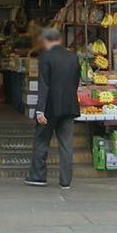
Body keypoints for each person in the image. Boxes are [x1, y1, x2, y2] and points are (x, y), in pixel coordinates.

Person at [26, 26, 80, 190]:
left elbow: (44, 85)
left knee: (42, 140)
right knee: (66, 144)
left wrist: (40, 110)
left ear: (46, 41)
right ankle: (65, 180)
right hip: (69, 105)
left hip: (49, 108)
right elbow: (76, 81)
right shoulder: (73, 57)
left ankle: (38, 176)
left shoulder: (45, 57)